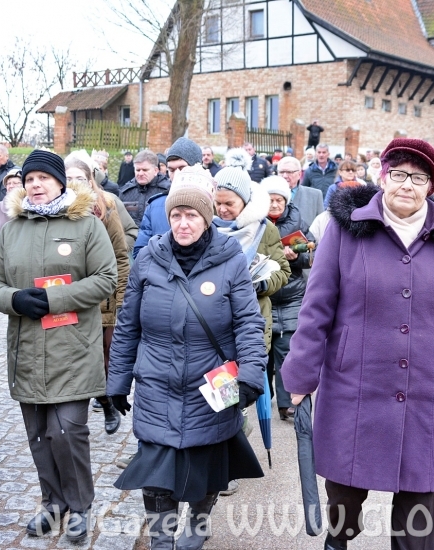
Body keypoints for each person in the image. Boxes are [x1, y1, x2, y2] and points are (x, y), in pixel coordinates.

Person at [284, 138, 434, 550]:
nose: (406, 185)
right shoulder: (346, 231)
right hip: (354, 384)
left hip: (426, 390)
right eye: (398, 174)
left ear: (431, 186)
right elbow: (316, 308)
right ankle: (338, 541)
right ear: (382, 177)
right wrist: (301, 374)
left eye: (418, 178)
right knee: (343, 496)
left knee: (419, 508)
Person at [107, 177, 266, 550]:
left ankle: (197, 522)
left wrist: (251, 376)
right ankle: (161, 536)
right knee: (157, 466)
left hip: (210, 382)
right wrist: (116, 381)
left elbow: (247, 322)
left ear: (206, 218)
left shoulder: (229, 260)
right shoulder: (148, 258)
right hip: (157, 382)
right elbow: (128, 323)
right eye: (176, 214)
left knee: (206, 458)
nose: (183, 223)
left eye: (191, 215)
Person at [0, 150, 117, 542]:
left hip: (72, 347)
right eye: (30, 179)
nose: (36, 185)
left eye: (43, 177)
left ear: (61, 182)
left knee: (67, 430)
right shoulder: (11, 229)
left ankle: (79, 506)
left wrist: (57, 299)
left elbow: (106, 278)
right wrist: (13, 300)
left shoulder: (86, 226)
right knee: (39, 433)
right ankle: (52, 501)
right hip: (27, 347)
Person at [213, 157, 290, 497]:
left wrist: (260, 284)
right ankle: (220, 456)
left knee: (237, 398)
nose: (223, 210)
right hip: (214, 328)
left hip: (251, 326)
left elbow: (283, 272)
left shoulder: (264, 229)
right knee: (220, 395)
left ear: (244, 201)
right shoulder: (207, 226)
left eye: (229, 204)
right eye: (218, 203)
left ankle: (228, 464)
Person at [64, 153, 130, 435]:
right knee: (75, 356)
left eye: (80, 178)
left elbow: (121, 257)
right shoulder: (57, 211)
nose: (74, 183)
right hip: (69, 296)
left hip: (104, 297)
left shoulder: (107, 207)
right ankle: (82, 406)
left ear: (91, 180)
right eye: (68, 179)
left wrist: (121, 301)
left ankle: (106, 403)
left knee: (105, 356)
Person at [261, 176, 312, 420]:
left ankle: (285, 404)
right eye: (270, 200)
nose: (274, 204)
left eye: (278, 200)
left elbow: (312, 254)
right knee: (265, 350)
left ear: (286, 201)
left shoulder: (297, 220)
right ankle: (263, 395)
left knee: (285, 349)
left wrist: (296, 257)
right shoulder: (257, 222)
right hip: (265, 293)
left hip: (291, 293)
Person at [133, 137, 203, 259]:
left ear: (196, 167)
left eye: (182, 168)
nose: (176, 174)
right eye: (171, 170)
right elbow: (140, 253)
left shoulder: (213, 203)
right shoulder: (155, 205)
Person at [119, 149, 172, 226]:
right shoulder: (125, 192)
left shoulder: (167, 191)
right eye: (138, 170)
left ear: (156, 170)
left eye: (145, 170)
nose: (140, 173)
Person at [276, 156, 323, 228]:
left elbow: (321, 226)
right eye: (281, 172)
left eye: (289, 172)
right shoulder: (267, 195)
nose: (284, 176)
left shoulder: (315, 195)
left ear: (299, 174)